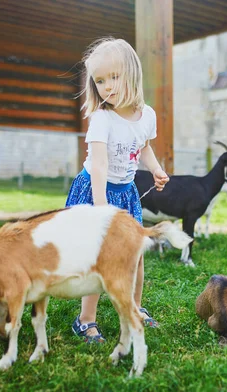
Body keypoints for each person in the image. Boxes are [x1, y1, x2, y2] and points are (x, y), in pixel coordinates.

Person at [65, 37, 169, 343]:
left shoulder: (146, 115)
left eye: (114, 76)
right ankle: (85, 320)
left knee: (135, 255)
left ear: (132, 74)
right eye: (99, 80)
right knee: (101, 259)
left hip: (126, 192)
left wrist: (156, 169)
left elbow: (144, 148)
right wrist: (101, 207)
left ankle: (134, 308)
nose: (107, 86)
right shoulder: (102, 119)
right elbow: (98, 165)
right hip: (97, 192)